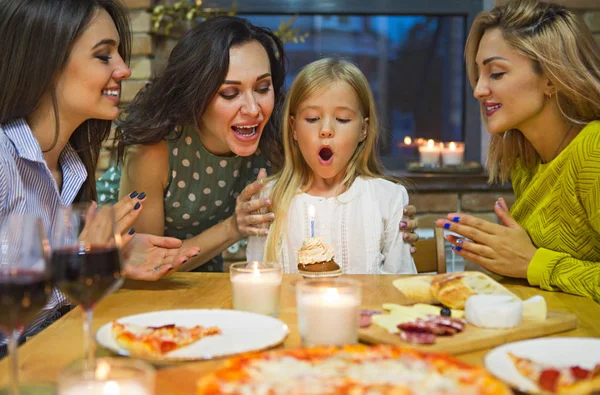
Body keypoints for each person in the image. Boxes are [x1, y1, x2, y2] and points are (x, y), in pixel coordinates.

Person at [113, 16, 420, 273]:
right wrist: (234, 226)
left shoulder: (272, 139)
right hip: (132, 279)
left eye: (262, 88)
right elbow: (147, 266)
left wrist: (387, 218)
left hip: (202, 274)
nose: (253, 109)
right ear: (195, 95)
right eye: (230, 94)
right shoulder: (154, 152)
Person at [0, 0, 199, 356]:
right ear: (46, 64)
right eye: (104, 56)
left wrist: (113, 260)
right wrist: (80, 260)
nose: (123, 69)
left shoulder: (71, 166)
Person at [436, 0, 600, 302]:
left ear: (551, 77)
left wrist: (533, 263)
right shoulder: (527, 160)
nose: (478, 90)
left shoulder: (593, 150)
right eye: (478, 74)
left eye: (496, 73)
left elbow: (533, 265)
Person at [249, 58, 416, 274]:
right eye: (312, 118)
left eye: (343, 119)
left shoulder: (388, 199)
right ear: (293, 128)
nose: (326, 130)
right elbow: (255, 281)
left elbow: (401, 285)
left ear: (363, 130)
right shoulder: (268, 199)